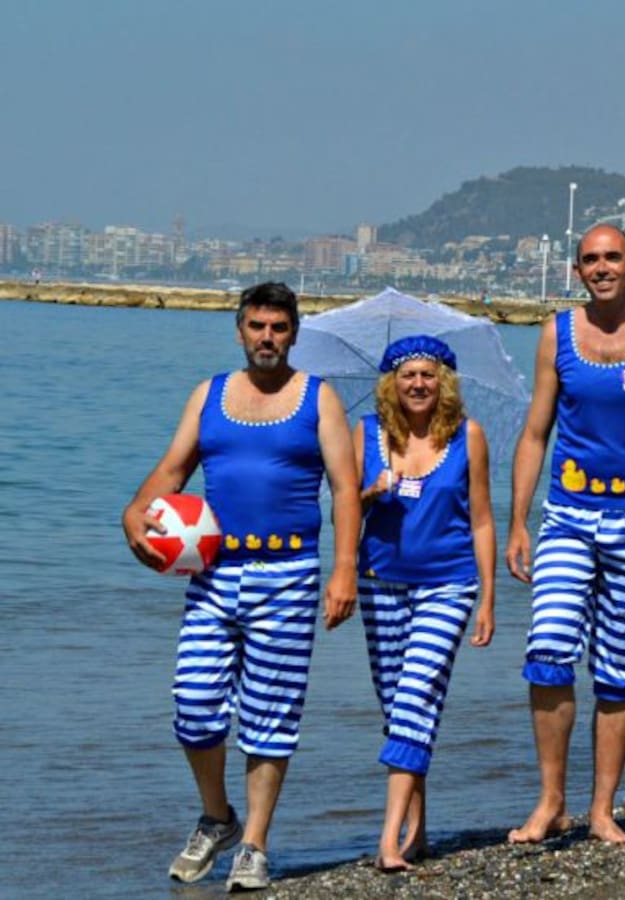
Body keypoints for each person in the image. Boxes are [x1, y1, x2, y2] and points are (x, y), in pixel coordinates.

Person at [121, 282, 361, 890]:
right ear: (239, 330)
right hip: (212, 571)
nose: (267, 337)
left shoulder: (319, 398)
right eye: (257, 326)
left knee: (270, 715)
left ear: (294, 333)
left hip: (288, 574)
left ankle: (253, 843)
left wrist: (344, 569)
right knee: (193, 706)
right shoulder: (210, 395)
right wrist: (134, 513)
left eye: (278, 327)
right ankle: (217, 817)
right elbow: (173, 469)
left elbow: (344, 489)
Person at [505, 224, 625, 844]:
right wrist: (517, 520)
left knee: (620, 667)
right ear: (577, 270)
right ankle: (550, 801)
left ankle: (601, 810)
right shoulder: (556, 334)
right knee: (548, 652)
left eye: (612, 257)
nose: (602, 267)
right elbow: (535, 433)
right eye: (590, 259)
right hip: (568, 515)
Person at [354, 335, 496, 871]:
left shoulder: (467, 436)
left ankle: (388, 841)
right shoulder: (367, 433)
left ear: (444, 383)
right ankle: (418, 831)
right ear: (391, 383)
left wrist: (488, 597)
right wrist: (370, 492)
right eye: (408, 375)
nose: (418, 384)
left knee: (414, 698)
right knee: (399, 711)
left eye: (428, 375)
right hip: (379, 583)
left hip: (448, 584)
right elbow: (343, 506)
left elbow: (481, 519)